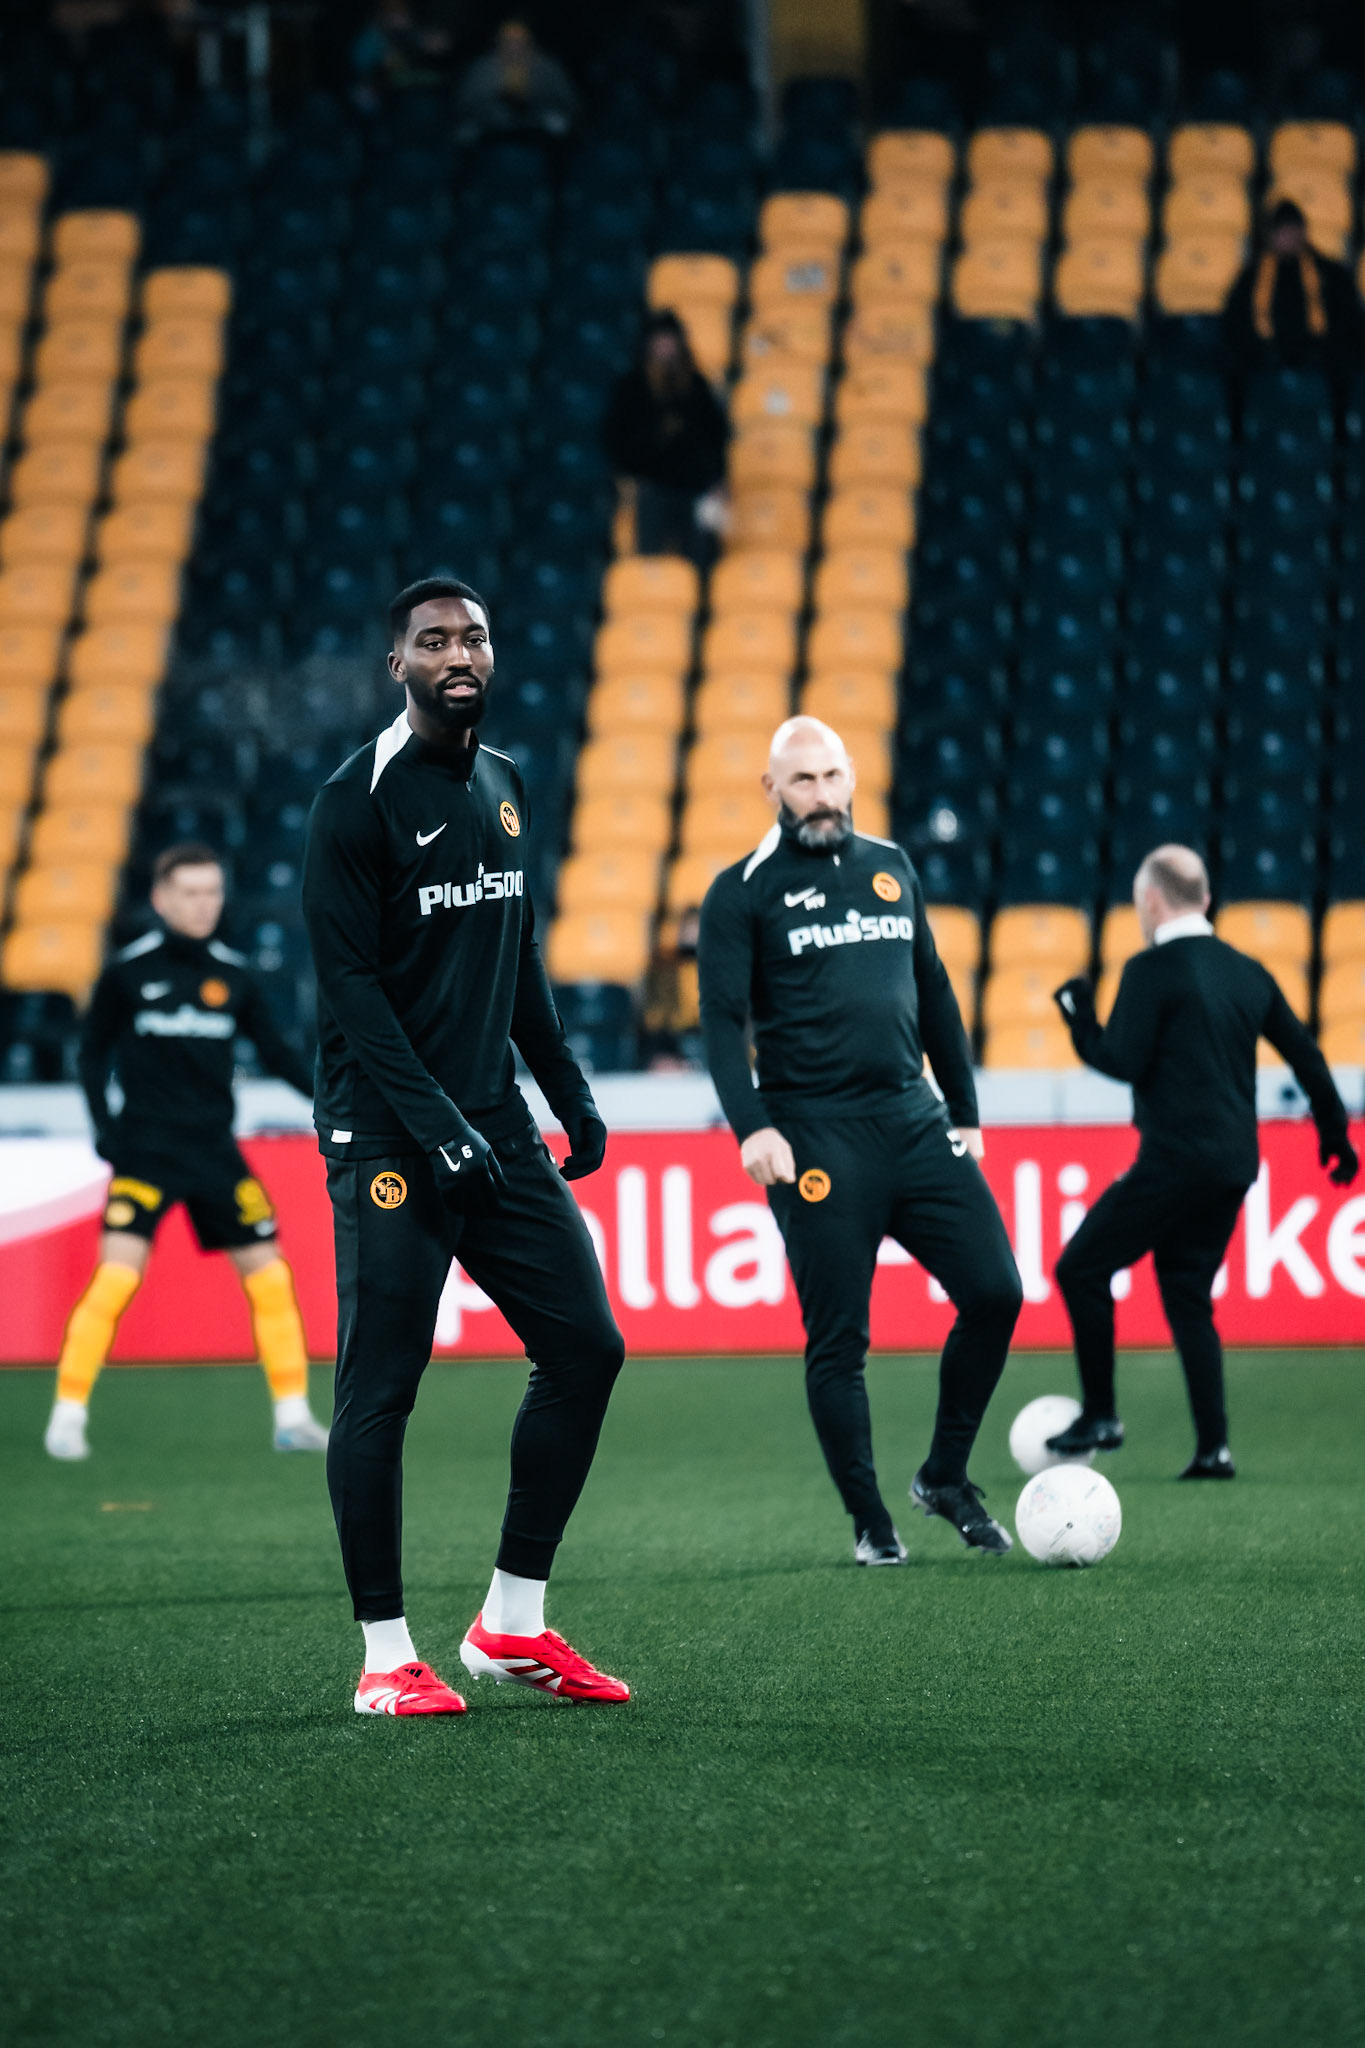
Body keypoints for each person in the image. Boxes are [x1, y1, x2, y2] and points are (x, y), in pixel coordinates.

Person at [301, 576, 629, 1718]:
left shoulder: (504, 782)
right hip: (390, 1125)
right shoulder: (356, 801)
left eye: (474, 636)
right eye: (433, 639)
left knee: (587, 1346)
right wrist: (436, 1128)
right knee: (382, 1386)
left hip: (488, 1120)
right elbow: (349, 990)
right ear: (398, 663)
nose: (457, 652)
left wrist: (569, 1091)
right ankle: (385, 1654)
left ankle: (511, 1623)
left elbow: (516, 949)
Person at [697, 716, 1023, 1564]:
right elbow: (721, 1022)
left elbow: (935, 988)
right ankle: (870, 1524)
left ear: (852, 777)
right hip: (812, 1136)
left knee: (996, 1293)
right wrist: (753, 1127)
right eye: (802, 781)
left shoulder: (890, 865)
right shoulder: (741, 890)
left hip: (912, 1119)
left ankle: (943, 1476)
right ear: (771, 790)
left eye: (833, 776)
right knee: (840, 1340)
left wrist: (965, 1111)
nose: (822, 795)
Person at [1049, 844, 1358, 1478]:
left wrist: (1079, 1019)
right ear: (1207, 900)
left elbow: (1122, 1062)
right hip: (1234, 1164)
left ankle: (1102, 1414)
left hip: (1175, 1159)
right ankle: (1213, 1449)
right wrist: (1335, 1136)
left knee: (1080, 1268)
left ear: (1151, 900)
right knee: (1187, 1291)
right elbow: (1307, 1055)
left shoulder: (1151, 969)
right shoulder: (1247, 971)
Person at [45, 844, 327, 1462]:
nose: (204, 904)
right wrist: (104, 1126)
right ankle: (67, 1414)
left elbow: (277, 1055)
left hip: (215, 1153)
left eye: (213, 892)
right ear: (161, 899)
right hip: (146, 1150)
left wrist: (334, 1100)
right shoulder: (126, 974)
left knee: (272, 1276)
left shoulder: (236, 975)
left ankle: (292, 1416)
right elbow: (91, 1054)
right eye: (191, 893)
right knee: (118, 1276)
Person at [603, 309, 728, 565]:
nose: (665, 347)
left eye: (669, 340)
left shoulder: (695, 385)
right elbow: (617, 437)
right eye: (659, 340)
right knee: (649, 560)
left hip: (694, 486)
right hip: (652, 485)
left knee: (699, 560)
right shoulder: (632, 387)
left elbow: (716, 435)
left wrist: (717, 479)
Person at [1222, 197, 1365, 391]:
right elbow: (1235, 322)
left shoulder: (1329, 273)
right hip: (1265, 355)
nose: (1289, 237)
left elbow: (1348, 319)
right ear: (1271, 235)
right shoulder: (1252, 276)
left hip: (1320, 356)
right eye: (1283, 231)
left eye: (1294, 229)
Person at [453, 18, 579, 141]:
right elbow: (465, 102)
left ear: (530, 42)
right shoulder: (483, 67)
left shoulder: (547, 66)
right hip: (490, 119)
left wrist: (533, 101)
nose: (514, 47)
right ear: (499, 42)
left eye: (519, 42)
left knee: (559, 126)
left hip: (538, 118)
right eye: (508, 41)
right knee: (465, 134)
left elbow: (567, 99)